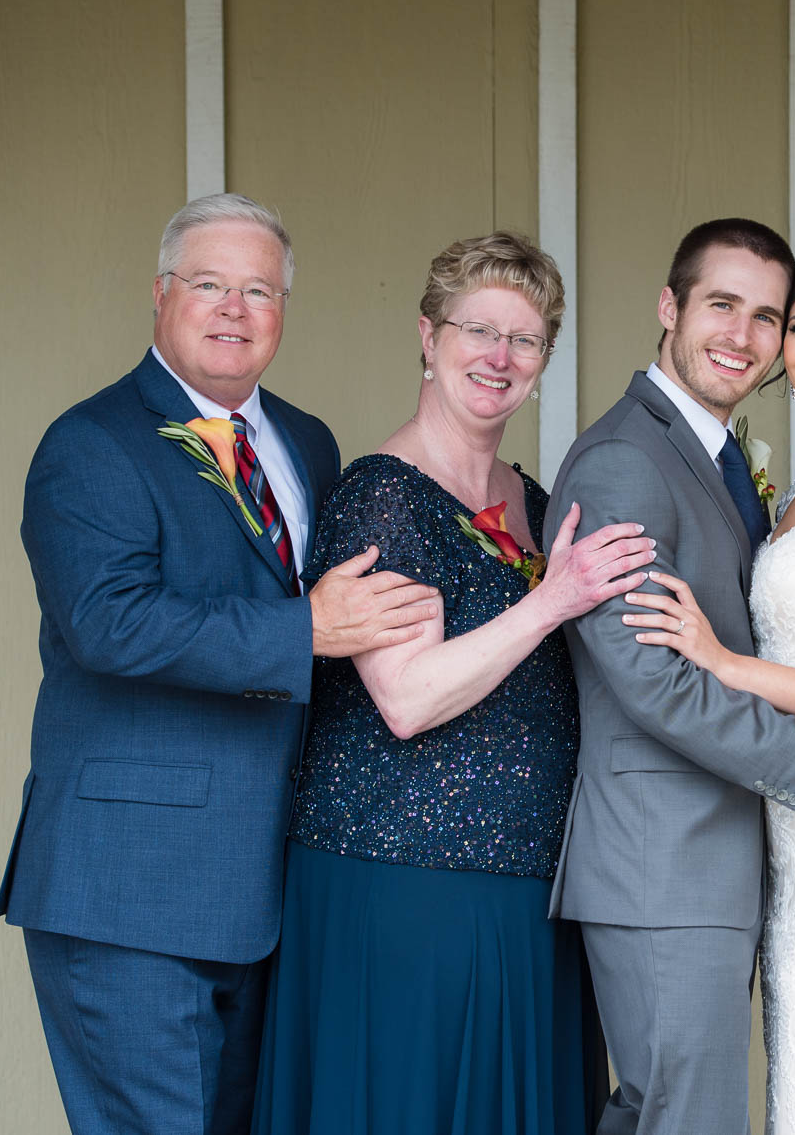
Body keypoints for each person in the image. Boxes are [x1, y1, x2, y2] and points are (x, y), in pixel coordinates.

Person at [0, 193, 440, 1135]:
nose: (234, 309)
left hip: (268, 890)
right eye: (208, 284)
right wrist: (302, 633)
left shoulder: (308, 443)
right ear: (160, 296)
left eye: (259, 290)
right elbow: (107, 623)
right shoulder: (91, 443)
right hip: (130, 890)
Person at [249, 232, 656, 1135]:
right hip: (402, 886)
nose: (498, 357)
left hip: (529, 893)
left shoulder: (540, 505)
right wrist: (552, 602)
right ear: (428, 339)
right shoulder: (381, 495)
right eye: (477, 330)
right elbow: (407, 698)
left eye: (525, 339)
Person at [543, 219, 795, 1135]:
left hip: (720, 859)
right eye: (722, 305)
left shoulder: (715, 458)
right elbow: (654, 682)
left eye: (768, 317)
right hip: (661, 860)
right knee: (684, 1117)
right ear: (669, 309)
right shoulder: (627, 460)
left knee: (670, 1115)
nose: (744, 338)